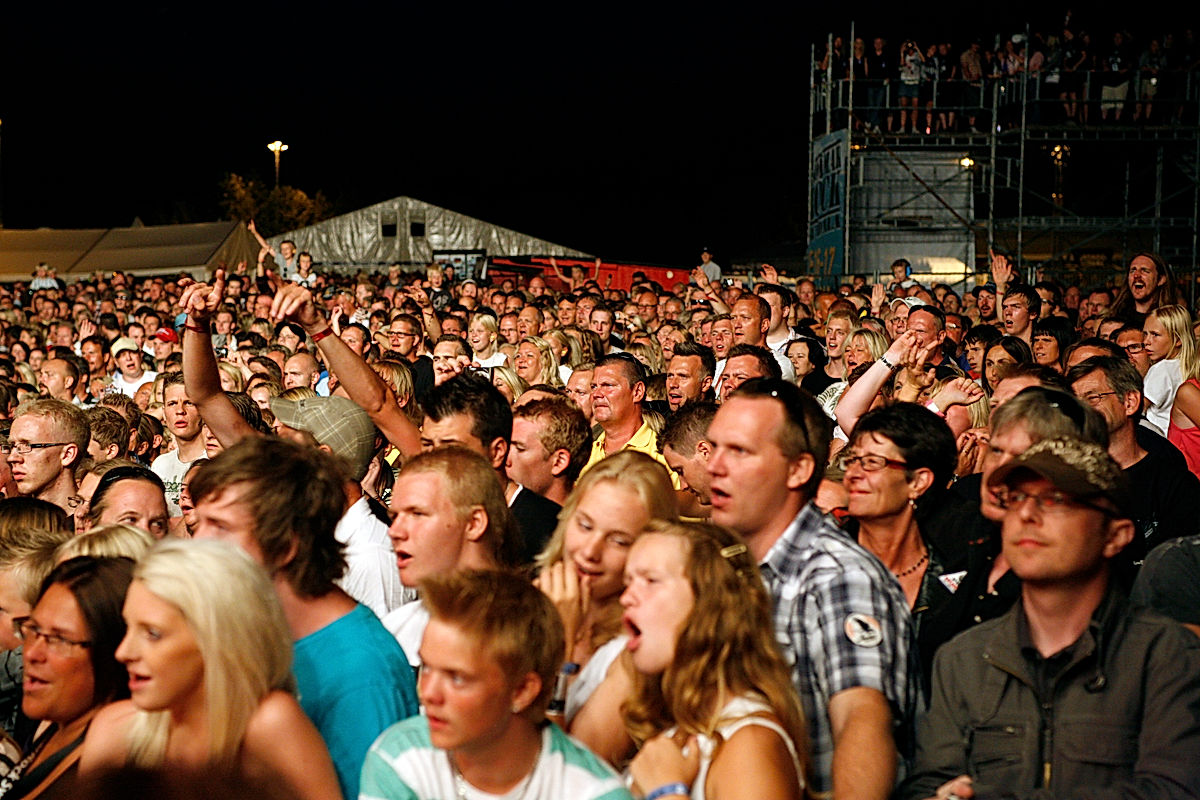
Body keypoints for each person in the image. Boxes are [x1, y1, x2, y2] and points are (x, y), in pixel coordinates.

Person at [900, 437, 1200, 800]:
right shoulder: (962, 659)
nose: (1026, 514)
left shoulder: (1168, 655)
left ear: (1115, 535)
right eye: (1016, 499)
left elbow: (1173, 790)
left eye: (1055, 500)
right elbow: (928, 786)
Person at [704, 378, 915, 799]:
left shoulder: (838, 577)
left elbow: (862, 721)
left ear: (799, 469)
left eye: (740, 451)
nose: (715, 466)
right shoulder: (726, 564)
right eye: (714, 447)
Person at [189, 437, 418, 799]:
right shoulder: (260, 628)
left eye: (220, 527)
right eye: (199, 524)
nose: (197, 544)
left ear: (286, 545)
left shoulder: (362, 673)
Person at [78, 540, 340, 800]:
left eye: (153, 634)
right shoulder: (115, 730)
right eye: (128, 627)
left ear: (217, 640)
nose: (123, 652)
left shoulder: (269, 723)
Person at [360, 570, 631, 800]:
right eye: (427, 667)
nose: (427, 693)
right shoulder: (401, 757)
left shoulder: (592, 792)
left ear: (522, 691)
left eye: (457, 678)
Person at [622, 520, 806, 800]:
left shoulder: (751, 743)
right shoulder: (685, 726)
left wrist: (667, 793)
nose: (627, 598)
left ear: (710, 602)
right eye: (628, 582)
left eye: (651, 580)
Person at [534, 451, 678, 765]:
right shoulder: (527, 598)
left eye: (618, 541)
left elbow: (572, 777)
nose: (590, 551)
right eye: (585, 526)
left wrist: (557, 651)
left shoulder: (638, 653)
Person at [839, 404, 967, 695]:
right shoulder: (825, 566)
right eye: (852, 460)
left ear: (918, 481)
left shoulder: (957, 570)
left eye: (872, 462)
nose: (853, 474)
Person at [4, 556, 134, 798]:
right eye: (33, 629)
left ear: (112, 652)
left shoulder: (110, 770)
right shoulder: (57, 725)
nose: (32, 653)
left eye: (59, 639)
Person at [6, 399, 90, 513]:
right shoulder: (8, 522)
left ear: (67, 455)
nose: (12, 458)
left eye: (27, 446)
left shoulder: (90, 526)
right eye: (12, 446)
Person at [1142, 304, 1193, 435]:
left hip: (1157, 440)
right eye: (1145, 334)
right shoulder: (1186, 367)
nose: (1146, 341)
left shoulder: (1162, 369)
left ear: (1177, 340)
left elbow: (1138, 408)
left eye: (1155, 335)